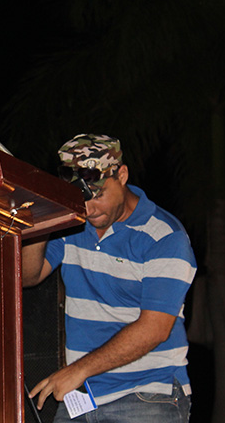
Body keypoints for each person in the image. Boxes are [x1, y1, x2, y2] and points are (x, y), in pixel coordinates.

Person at [23, 134, 197, 422]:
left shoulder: (164, 237)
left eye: (98, 195)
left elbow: (154, 329)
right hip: (81, 395)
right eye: (80, 199)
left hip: (147, 393)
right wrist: (40, 222)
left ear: (122, 175)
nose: (89, 210)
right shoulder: (71, 224)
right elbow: (30, 276)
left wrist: (77, 370)